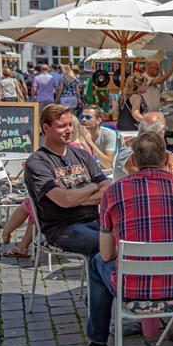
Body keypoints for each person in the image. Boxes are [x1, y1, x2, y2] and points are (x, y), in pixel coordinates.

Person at [76, 132, 173, 346]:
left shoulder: (115, 190)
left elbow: (106, 255)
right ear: (167, 158)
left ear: (133, 160)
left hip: (133, 288)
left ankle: (97, 345)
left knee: (96, 263)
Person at [24, 104, 110, 257]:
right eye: (62, 126)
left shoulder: (82, 155)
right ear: (46, 128)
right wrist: (93, 186)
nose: (69, 130)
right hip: (62, 229)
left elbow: (107, 190)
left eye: (70, 124)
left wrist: (75, 199)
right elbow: (65, 200)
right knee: (106, 247)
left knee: (128, 238)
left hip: (94, 221)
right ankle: (108, 280)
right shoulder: (37, 162)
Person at [114, 112, 173, 182]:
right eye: (165, 129)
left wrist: (170, 157)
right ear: (161, 132)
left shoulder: (150, 148)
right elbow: (148, 177)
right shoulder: (130, 151)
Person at [80, 105, 117, 170]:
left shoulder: (108, 134)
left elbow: (108, 165)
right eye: (81, 117)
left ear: (98, 121)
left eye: (88, 117)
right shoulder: (77, 134)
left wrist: (90, 142)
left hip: (104, 172)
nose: (83, 119)